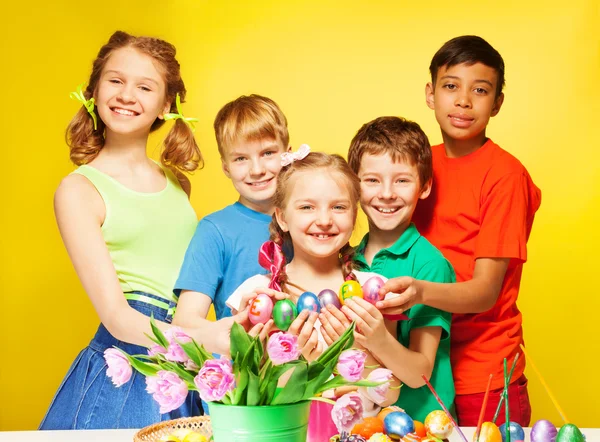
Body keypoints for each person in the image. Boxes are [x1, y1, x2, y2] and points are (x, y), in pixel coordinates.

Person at [41, 30, 216, 429]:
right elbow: (118, 317)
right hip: (128, 363)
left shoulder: (176, 182)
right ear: (94, 90)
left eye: (144, 86)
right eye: (115, 80)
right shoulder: (79, 189)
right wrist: (207, 341)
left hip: (182, 360)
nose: (125, 95)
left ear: (165, 105)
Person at [377, 35, 541, 426]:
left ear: (497, 102)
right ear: (431, 94)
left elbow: (485, 292)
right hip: (417, 365)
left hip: (481, 375)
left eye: (480, 90)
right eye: (451, 86)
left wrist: (418, 292)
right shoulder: (416, 164)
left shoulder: (504, 176)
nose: (464, 101)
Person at [226, 150, 401, 441]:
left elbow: (390, 393)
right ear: (282, 217)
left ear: (355, 214)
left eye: (339, 207)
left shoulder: (372, 290)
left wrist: (354, 352)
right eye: (307, 207)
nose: (323, 220)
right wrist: (306, 366)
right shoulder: (259, 296)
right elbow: (243, 396)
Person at [326, 115, 455, 422]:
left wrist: (378, 338)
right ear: (354, 185)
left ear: (424, 187)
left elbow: (418, 374)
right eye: (372, 180)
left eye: (402, 180)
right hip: (364, 426)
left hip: (421, 424)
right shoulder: (345, 260)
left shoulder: (430, 265)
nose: (386, 193)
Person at [172, 95, 291, 348]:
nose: (257, 169)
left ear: (287, 155)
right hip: (243, 378)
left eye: (268, 153)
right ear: (225, 167)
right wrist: (238, 331)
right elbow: (184, 323)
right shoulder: (215, 230)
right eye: (240, 159)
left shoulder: (311, 221)